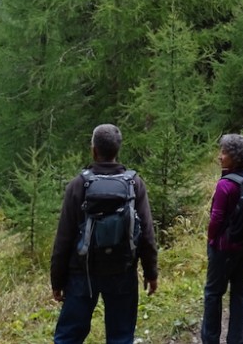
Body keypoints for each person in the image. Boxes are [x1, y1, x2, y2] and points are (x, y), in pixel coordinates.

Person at [51, 124, 158, 344]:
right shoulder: (134, 184)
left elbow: (64, 238)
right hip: (123, 271)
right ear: (118, 150)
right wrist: (151, 272)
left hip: (82, 273)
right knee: (121, 336)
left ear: (93, 150)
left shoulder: (78, 185)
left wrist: (57, 281)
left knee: (68, 337)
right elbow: (147, 234)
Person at [202, 134, 243, 344]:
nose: (220, 156)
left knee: (213, 293)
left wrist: (211, 241)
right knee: (240, 292)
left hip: (224, 249)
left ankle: (210, 339)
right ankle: (237, 339)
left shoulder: (225, 185)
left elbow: (216, 218)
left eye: (224, 152)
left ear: (234, 157)